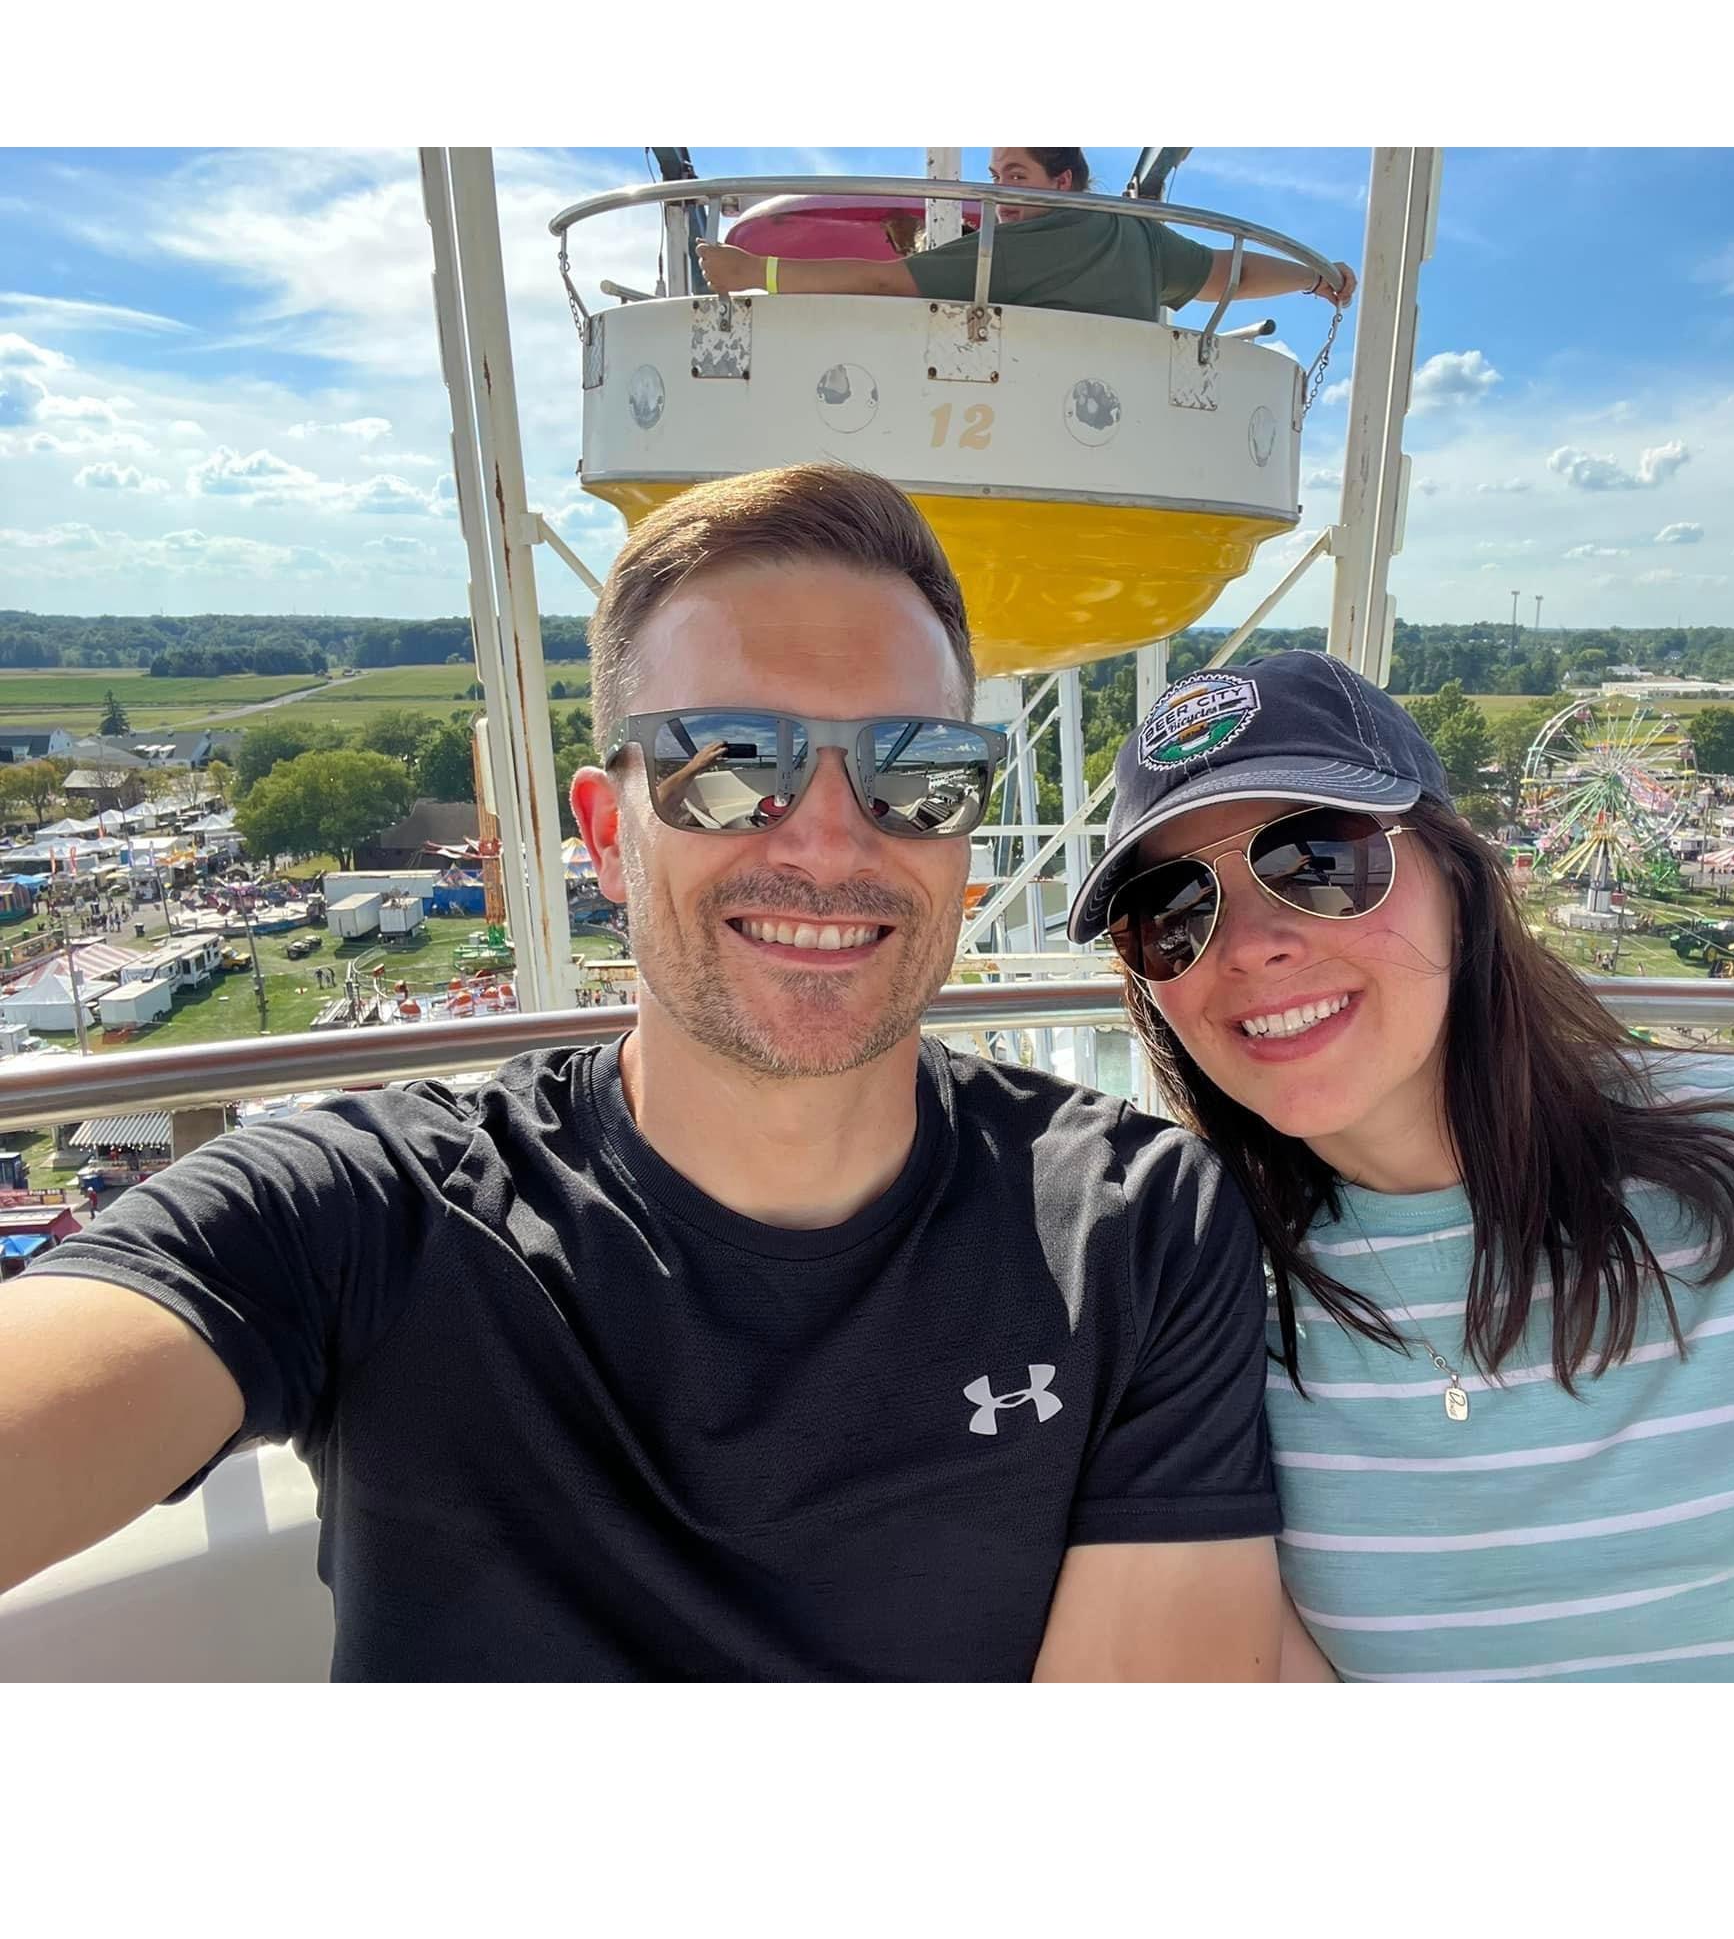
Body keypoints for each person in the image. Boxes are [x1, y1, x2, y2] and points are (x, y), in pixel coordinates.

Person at [1, 463, 1283, 1683]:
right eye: (727, 762)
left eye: (915, 771)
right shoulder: (369, 1210)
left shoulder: (1134, 1226)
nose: (832, 838)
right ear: (609, 834)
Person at [1069, 649, 1734, 1681]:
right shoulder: (1190, 1292)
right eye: (1170, 911)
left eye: (1316, 858)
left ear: (1458, 874)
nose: (1249, 945)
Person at [697, 148, 1356, 323]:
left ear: (1061, 181)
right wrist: (1315, 277)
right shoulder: (1136, 236)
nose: (1000, 196)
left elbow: (878, 280)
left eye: (1014, 176)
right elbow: (1227, 273)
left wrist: (759, 275)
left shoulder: (1006, 254)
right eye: (993, 176)